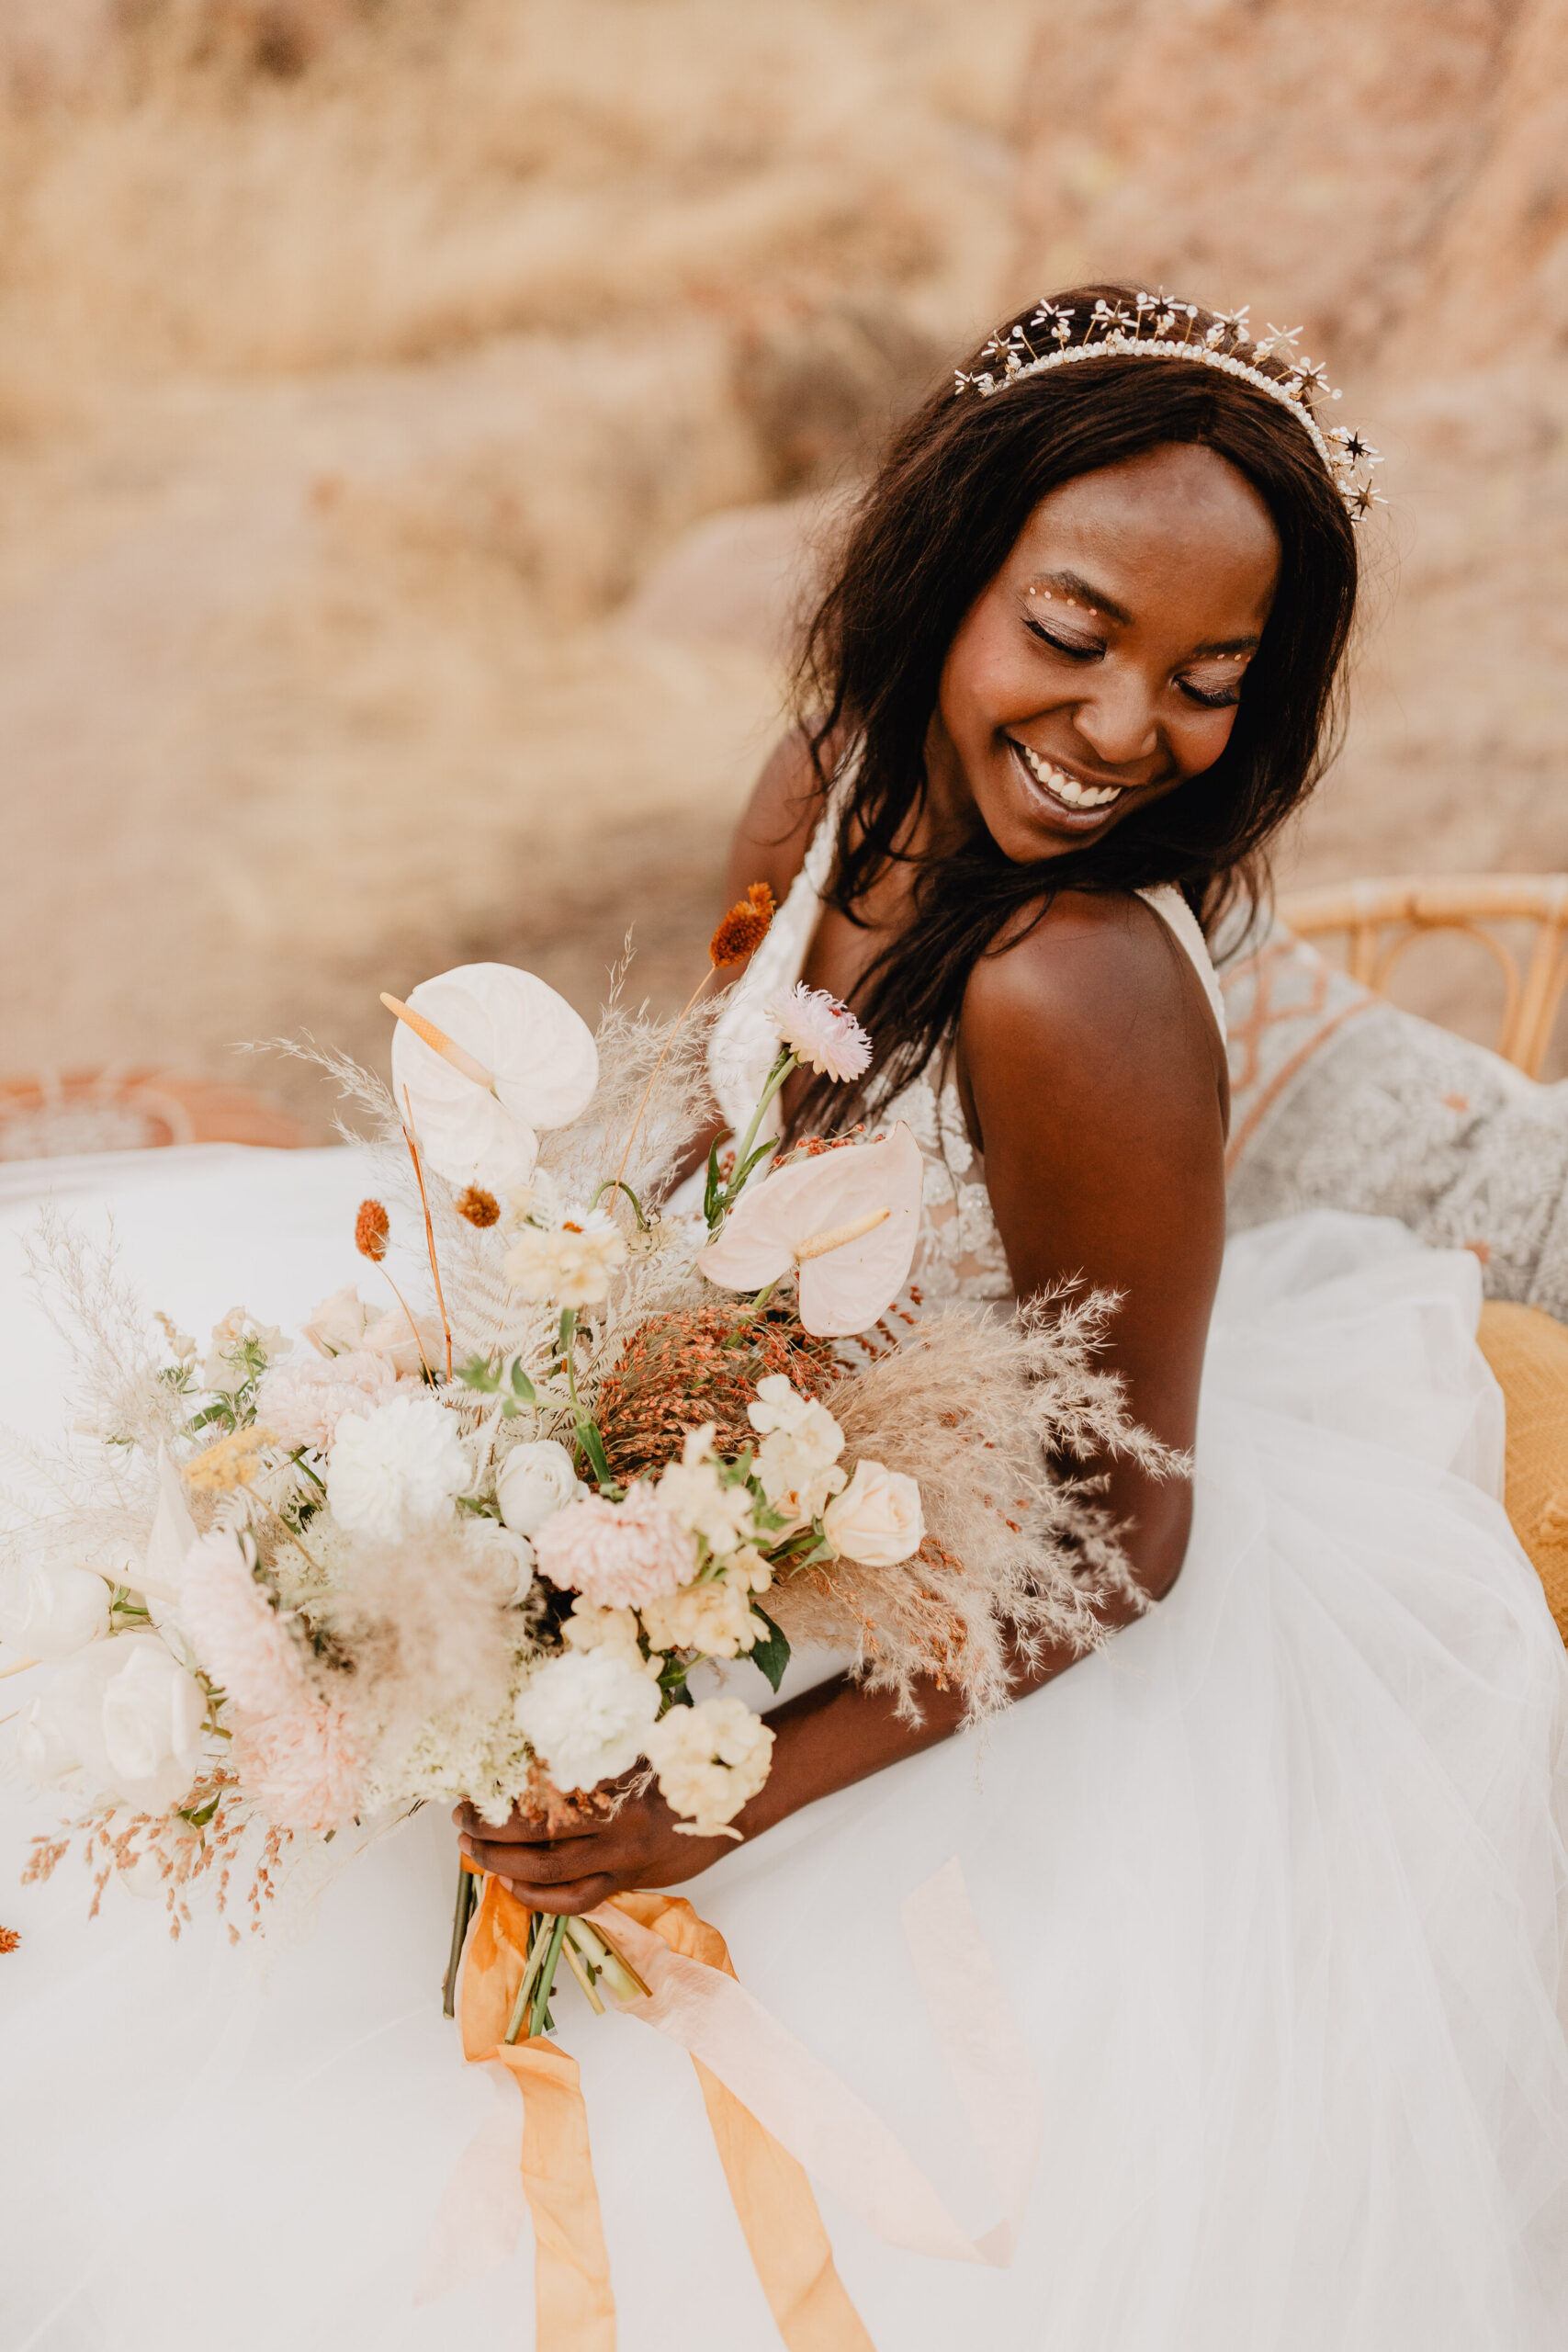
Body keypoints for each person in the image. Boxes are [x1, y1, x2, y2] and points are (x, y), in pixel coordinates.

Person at [3, 288, 1566, 2351]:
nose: (1124, 732)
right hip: (757, 1475)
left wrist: (713, 1790)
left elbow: (1126, 1535)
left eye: (1209, 681)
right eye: (1075, 632)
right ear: (950, 568)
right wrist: (528, 1459)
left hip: (995, 1627)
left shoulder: (1070, 983)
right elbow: (708, 1153)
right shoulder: (828, 785)